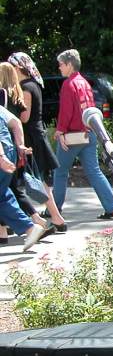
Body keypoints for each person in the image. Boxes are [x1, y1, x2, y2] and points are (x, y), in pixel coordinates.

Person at [52, 49, 113, 220]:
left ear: (69, 64)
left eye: (61, 64)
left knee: (60, 171)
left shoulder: (69, 85)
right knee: (94, 171)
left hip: (72, 136)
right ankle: (111, 207)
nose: (59, 68)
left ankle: (54, 209)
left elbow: (66, 112)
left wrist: (60, 131)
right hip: (88, 133)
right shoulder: (85, 82)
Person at [8, 52, 67, 232]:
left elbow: (24, 117)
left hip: (32, 138)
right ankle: (53, 218)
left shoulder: (26, 87)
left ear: (19, 68)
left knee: (37, 181)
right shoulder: (33, 85)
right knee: (35, 180)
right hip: (35, 136)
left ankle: (55, 218)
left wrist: (7, 114)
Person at [0, 105, 48, 251]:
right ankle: (29, 228)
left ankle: (29, 227)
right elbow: (15, 122)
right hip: (9, 149)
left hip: (2, 152)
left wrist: (1, 157)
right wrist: (20, 145)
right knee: (2, 195)